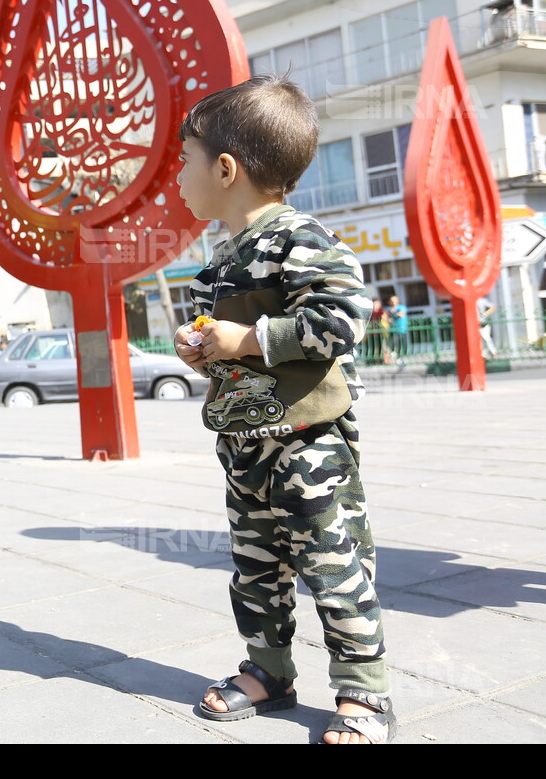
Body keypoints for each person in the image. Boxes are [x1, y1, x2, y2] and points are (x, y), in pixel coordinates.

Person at [172, 74, 393, 744]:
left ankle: (364, 694)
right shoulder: (219, 262)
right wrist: (202, 349)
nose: (180, 176)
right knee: (256, 569)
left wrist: (246, 338)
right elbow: (226, 341)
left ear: (227, 168)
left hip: (309, 448)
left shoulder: (301, 239)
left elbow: (340, 320)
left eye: (186, 160)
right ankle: (267, 671)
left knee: (333, 565)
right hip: (247, 446)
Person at [385, 294, 409, 365]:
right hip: (393, 329)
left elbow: (401, 314)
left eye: (394, 300)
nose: (393, 302)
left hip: (401, 329)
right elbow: (387, 317)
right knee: (392, 343)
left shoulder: (402, 307)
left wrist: (394, 313)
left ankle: (403, 357)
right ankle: (395, 356)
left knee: (403, 344)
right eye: (391, 301)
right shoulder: (388, 309)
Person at [477, 294, 498, 359]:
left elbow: (493, 307)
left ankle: (493, 352)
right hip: (474, 323)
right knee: (478, 339)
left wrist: (484, 314)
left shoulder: (481, 300)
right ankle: (483, 354)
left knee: (486, 338)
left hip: (482, 323)